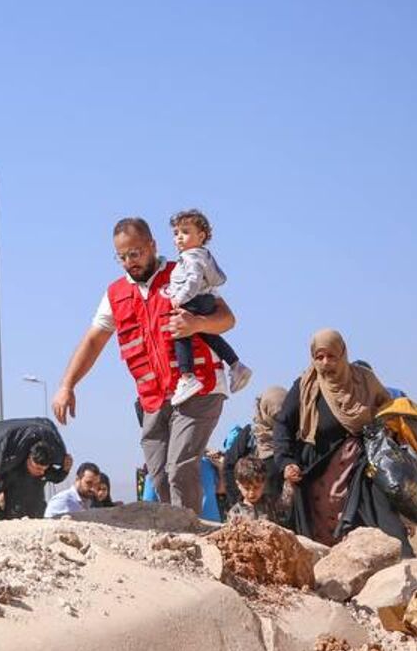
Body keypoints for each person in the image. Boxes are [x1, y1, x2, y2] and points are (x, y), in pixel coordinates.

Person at [51, 217, 237, 516]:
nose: (129, 262)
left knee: (180, 468)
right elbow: (93, 342)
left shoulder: (184, 271)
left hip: (198, 386)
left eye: (135, 253)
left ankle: (187, 537)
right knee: (160, 474)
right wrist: (67, 385)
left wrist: (198, 324)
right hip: (153, 397)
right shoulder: (116, 294)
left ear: (152, 246)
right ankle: (177, 531)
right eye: (121, 257)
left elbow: (227, 319)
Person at [270, 329, 411, 552]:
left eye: (332, 356)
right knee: (320, 538)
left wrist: (395, 431)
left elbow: (388, 412)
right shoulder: (305, 386)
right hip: (318, 471)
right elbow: (283, 425)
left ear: (342, 354)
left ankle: (400, 568)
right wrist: (286, 461)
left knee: (378, 523)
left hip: (362, 467)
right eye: (319, 357)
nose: (326, 363)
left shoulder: (364, 380)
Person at [162, 209, 249, 404]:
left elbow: (193, 280)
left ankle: (187, 377)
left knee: (180, 330)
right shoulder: (202, 255)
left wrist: (180, 298)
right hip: (204, 300)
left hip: (194, 300)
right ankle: (236, 365)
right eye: (176, 233)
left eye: (185, 232)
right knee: (207, 334)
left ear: (201, 236)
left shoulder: (192, 257)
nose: (179, 238)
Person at [0, 417, 72, 520]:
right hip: (15, 519)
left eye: (43, 469)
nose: (40, 472)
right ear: (29, 459)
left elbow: (57, 478)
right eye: (37, 468)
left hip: (38, 518)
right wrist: (0, 515)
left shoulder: (44, 473)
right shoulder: (12, 472)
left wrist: (65, 470)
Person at [220, 385, 288, 512]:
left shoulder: (296, 433)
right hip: (251, 510)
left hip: (284, 511)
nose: (278, 418)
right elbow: (229, 465)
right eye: (273, 413)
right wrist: (238, 501)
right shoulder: (250, 434)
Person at [223, 456, 286, 525]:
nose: (251, 493)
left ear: (264, 483)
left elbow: (286, 504)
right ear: (238, 485)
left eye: (256, 487)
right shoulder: (235, 512)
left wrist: (289, 482)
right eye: (246, 488)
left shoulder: (271, 503)